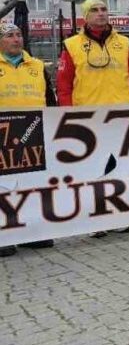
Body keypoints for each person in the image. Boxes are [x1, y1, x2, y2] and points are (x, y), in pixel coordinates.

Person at [56, 0, 129, 237]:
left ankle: (121, 214)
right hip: (87, 117)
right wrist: (68, 114)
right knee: (91, 168)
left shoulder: (123, 42)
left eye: (104, 9)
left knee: (120, 166)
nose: (101, 13)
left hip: (120, 116)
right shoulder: (71, 45)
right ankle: (95, 219)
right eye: (94, 10)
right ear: (85, 16)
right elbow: (64, 85)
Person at [0, 24, 57, 258]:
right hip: (3, 134)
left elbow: (49, 99)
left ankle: (32, 232)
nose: (16, 39)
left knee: (32, 183)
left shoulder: (37, 66)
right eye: (9, 36)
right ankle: (4, 234)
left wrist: (53, 124)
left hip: (34, 131)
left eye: (19, 35)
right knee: (4, 186)